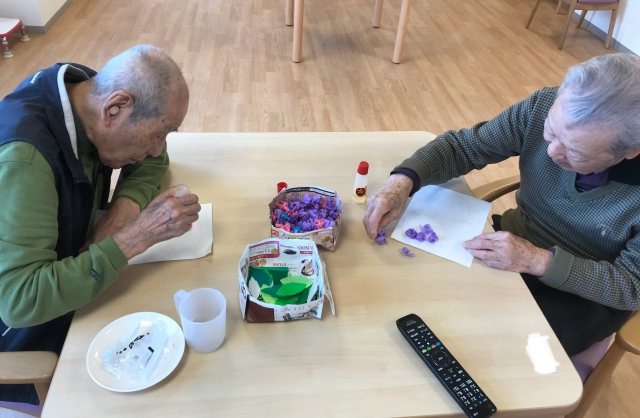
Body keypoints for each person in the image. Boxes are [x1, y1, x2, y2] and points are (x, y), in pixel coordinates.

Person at [363, 53, 640, 359]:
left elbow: (631, 286)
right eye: (550, 131)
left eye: (575, 152)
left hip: (584, 293)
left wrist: (538, 261)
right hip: (512, 243)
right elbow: (464, 147)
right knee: (421, 298)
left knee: (497, 354)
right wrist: (402, 181)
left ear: (630, 151)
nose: (551, 152)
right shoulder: (544, 106)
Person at [0, 45, 201, 404]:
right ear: (115, 108)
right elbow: (21, 301)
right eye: (158, 133)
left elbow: (154, 161)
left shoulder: (84, 93)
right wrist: (134, 237)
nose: (158, 148)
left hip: (76, 275)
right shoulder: (24, 162)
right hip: (29, 338)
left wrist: (123, 210)